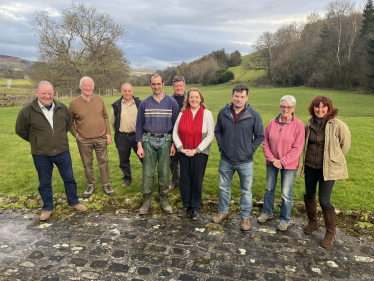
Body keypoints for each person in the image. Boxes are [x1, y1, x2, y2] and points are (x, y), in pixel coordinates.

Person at [15, 81, 87, 221]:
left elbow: (67, 125)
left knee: (69, 179)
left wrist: (57, 139)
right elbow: (20, 130)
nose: (47, 96)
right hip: (41, 154)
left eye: (50, 93)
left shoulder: (62, 108)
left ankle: (74, 202)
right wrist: (36, 141)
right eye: (44, 93)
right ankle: (48, 207)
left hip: (62, 151)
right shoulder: (26, 111)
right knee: (44, 182)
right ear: (36, 93)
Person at [297, 95, 351, 247]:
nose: (320, 109)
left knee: (324, 200)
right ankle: (313, 222)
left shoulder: (337, 125)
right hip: (310, 166)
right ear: (312, 108)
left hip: (328, 168)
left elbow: (344, 145)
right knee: (309, 194)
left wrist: (334, 159)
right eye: (317, 106)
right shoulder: (309, 124)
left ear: (329, 108)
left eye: (323, 107)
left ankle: (330, 233)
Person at [213, 84, 264, 231]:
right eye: (236, 96)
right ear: (232, 96)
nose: (239, 99)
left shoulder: (254, 115)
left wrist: (250, 150)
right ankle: (223, 210)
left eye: (242, 97)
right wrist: (222, 146)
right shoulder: (223, 113)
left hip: (245, 161)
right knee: (223, 187)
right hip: (226, 159)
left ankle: (245, 217)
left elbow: (260, 136)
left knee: (246, 191)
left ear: (247, 98)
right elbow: (218, 131)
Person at [257, 95, 305, 231]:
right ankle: (267, 212)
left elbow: (298, 148)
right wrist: (273, 159)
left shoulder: (299, 125)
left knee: (286, 193)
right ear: (280, 107)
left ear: (294, 108)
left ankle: (285, 219)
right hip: (272, 162)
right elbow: (265, 142)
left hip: (289, 165)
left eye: (289, 107)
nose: (285, 109)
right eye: (283, 106)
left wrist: (282, 161)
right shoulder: (272, 123)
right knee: (269, 188)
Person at [136, 73, 179, 214]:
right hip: (148, 140)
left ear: (163, 84)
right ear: (150, 84)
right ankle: (146, 201)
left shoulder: (172, 103)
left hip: (166, 141)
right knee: (147, 172)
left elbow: (176, 126)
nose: (156, 86)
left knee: (164, 172)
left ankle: (164, 199)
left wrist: (173, 143)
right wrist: (139, 145)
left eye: (158, 84)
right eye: (153, 84)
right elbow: (138, 125)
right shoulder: (144, 103)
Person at [173, 88, 214, 220]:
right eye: (191, 97)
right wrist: (181, 148)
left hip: (200, 153)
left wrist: (196, 150)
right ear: (188, 99)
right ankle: (186, 204)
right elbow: (175, 132)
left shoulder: (207, 114)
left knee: (196, 180)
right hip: (184, 151)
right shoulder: (182, 113)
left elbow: (210, 135)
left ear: (201, 99)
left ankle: (196, 207)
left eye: (196, 97)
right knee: (185, 180)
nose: (194, 99)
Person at [69, 76, 114, 198]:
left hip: (100, 137)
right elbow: (69, 122)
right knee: (87, 163)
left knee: (103, 162)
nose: (88, 88)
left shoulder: (99, 99)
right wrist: (77, 135)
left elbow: (105, 116)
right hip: (84, 140)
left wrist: (108, 133)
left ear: (93, 87)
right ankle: (91, 185)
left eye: (90, 85)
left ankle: (106, 184)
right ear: (80, 86)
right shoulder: (73, 103)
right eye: (85, 85)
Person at [111, 83, 142, 188]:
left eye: (129, 91)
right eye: (125, 91)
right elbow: (113, 122)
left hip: (137, 136)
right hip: (122, 136)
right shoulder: (116, 105)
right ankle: (127, 179)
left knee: (144, 158)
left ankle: (148, 178)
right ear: (121, 92)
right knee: (123, 160)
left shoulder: (139, 103)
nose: (127, 93)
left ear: (132, 91)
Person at [169, 76, 187, 191]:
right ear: (173, 87)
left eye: (180, 86)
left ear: (184, 86)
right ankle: (175, 181)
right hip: (172, 134)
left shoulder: (190, 99)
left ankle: (185, 181)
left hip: (186, 134)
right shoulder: (169, 100)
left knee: (186, 160)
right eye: (176, 86)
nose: (178, 88)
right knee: (173, 160)